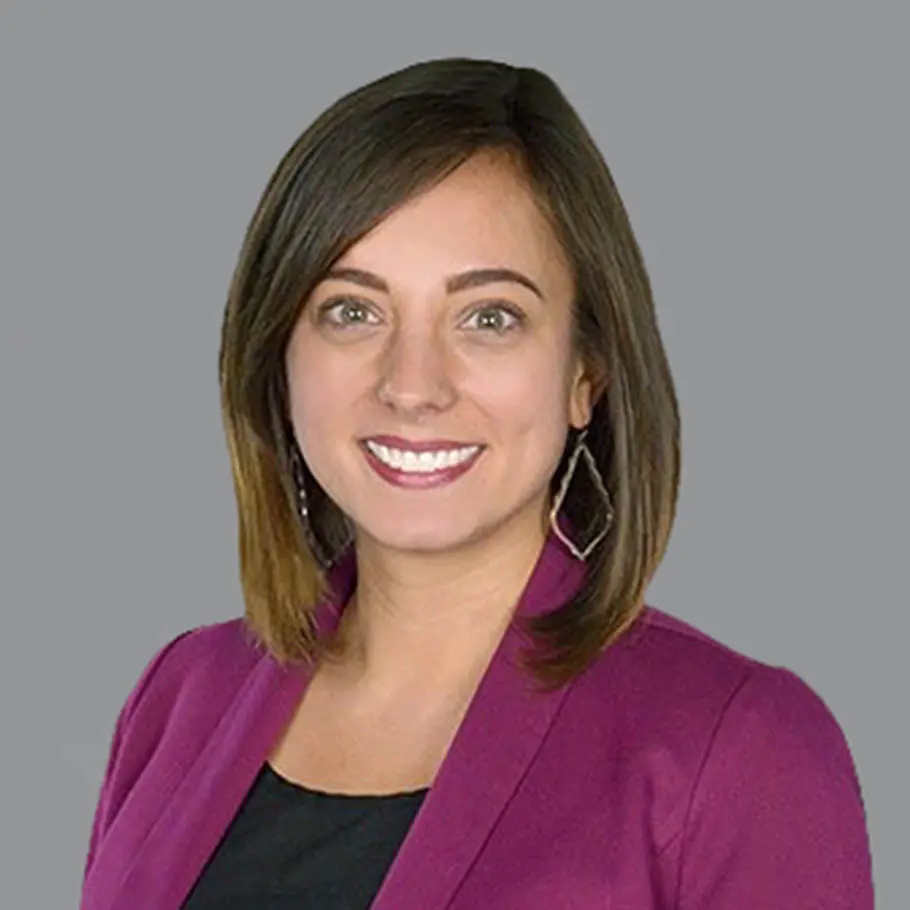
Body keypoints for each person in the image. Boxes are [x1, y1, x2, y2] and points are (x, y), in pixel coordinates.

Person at [79, 57, 874, 909]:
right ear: (278, 358)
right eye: (353, 310)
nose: (413, 384)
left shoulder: (742, 749)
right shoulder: (180, 698)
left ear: (586, 373)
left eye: (489, 318)